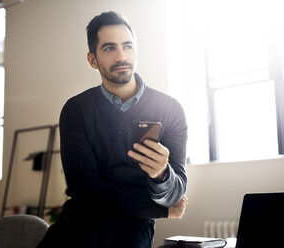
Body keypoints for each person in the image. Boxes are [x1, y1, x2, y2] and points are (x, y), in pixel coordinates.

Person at [37, 11, 188, 248]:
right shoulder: (76, 109)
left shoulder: (170, 110)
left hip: (130, 229)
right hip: (77, 224)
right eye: (109, 48)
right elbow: (84, 190)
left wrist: (161, 174)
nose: (121, 56)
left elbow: (175, 195)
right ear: (92, 59)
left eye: (127, 46)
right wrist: (158, 209)